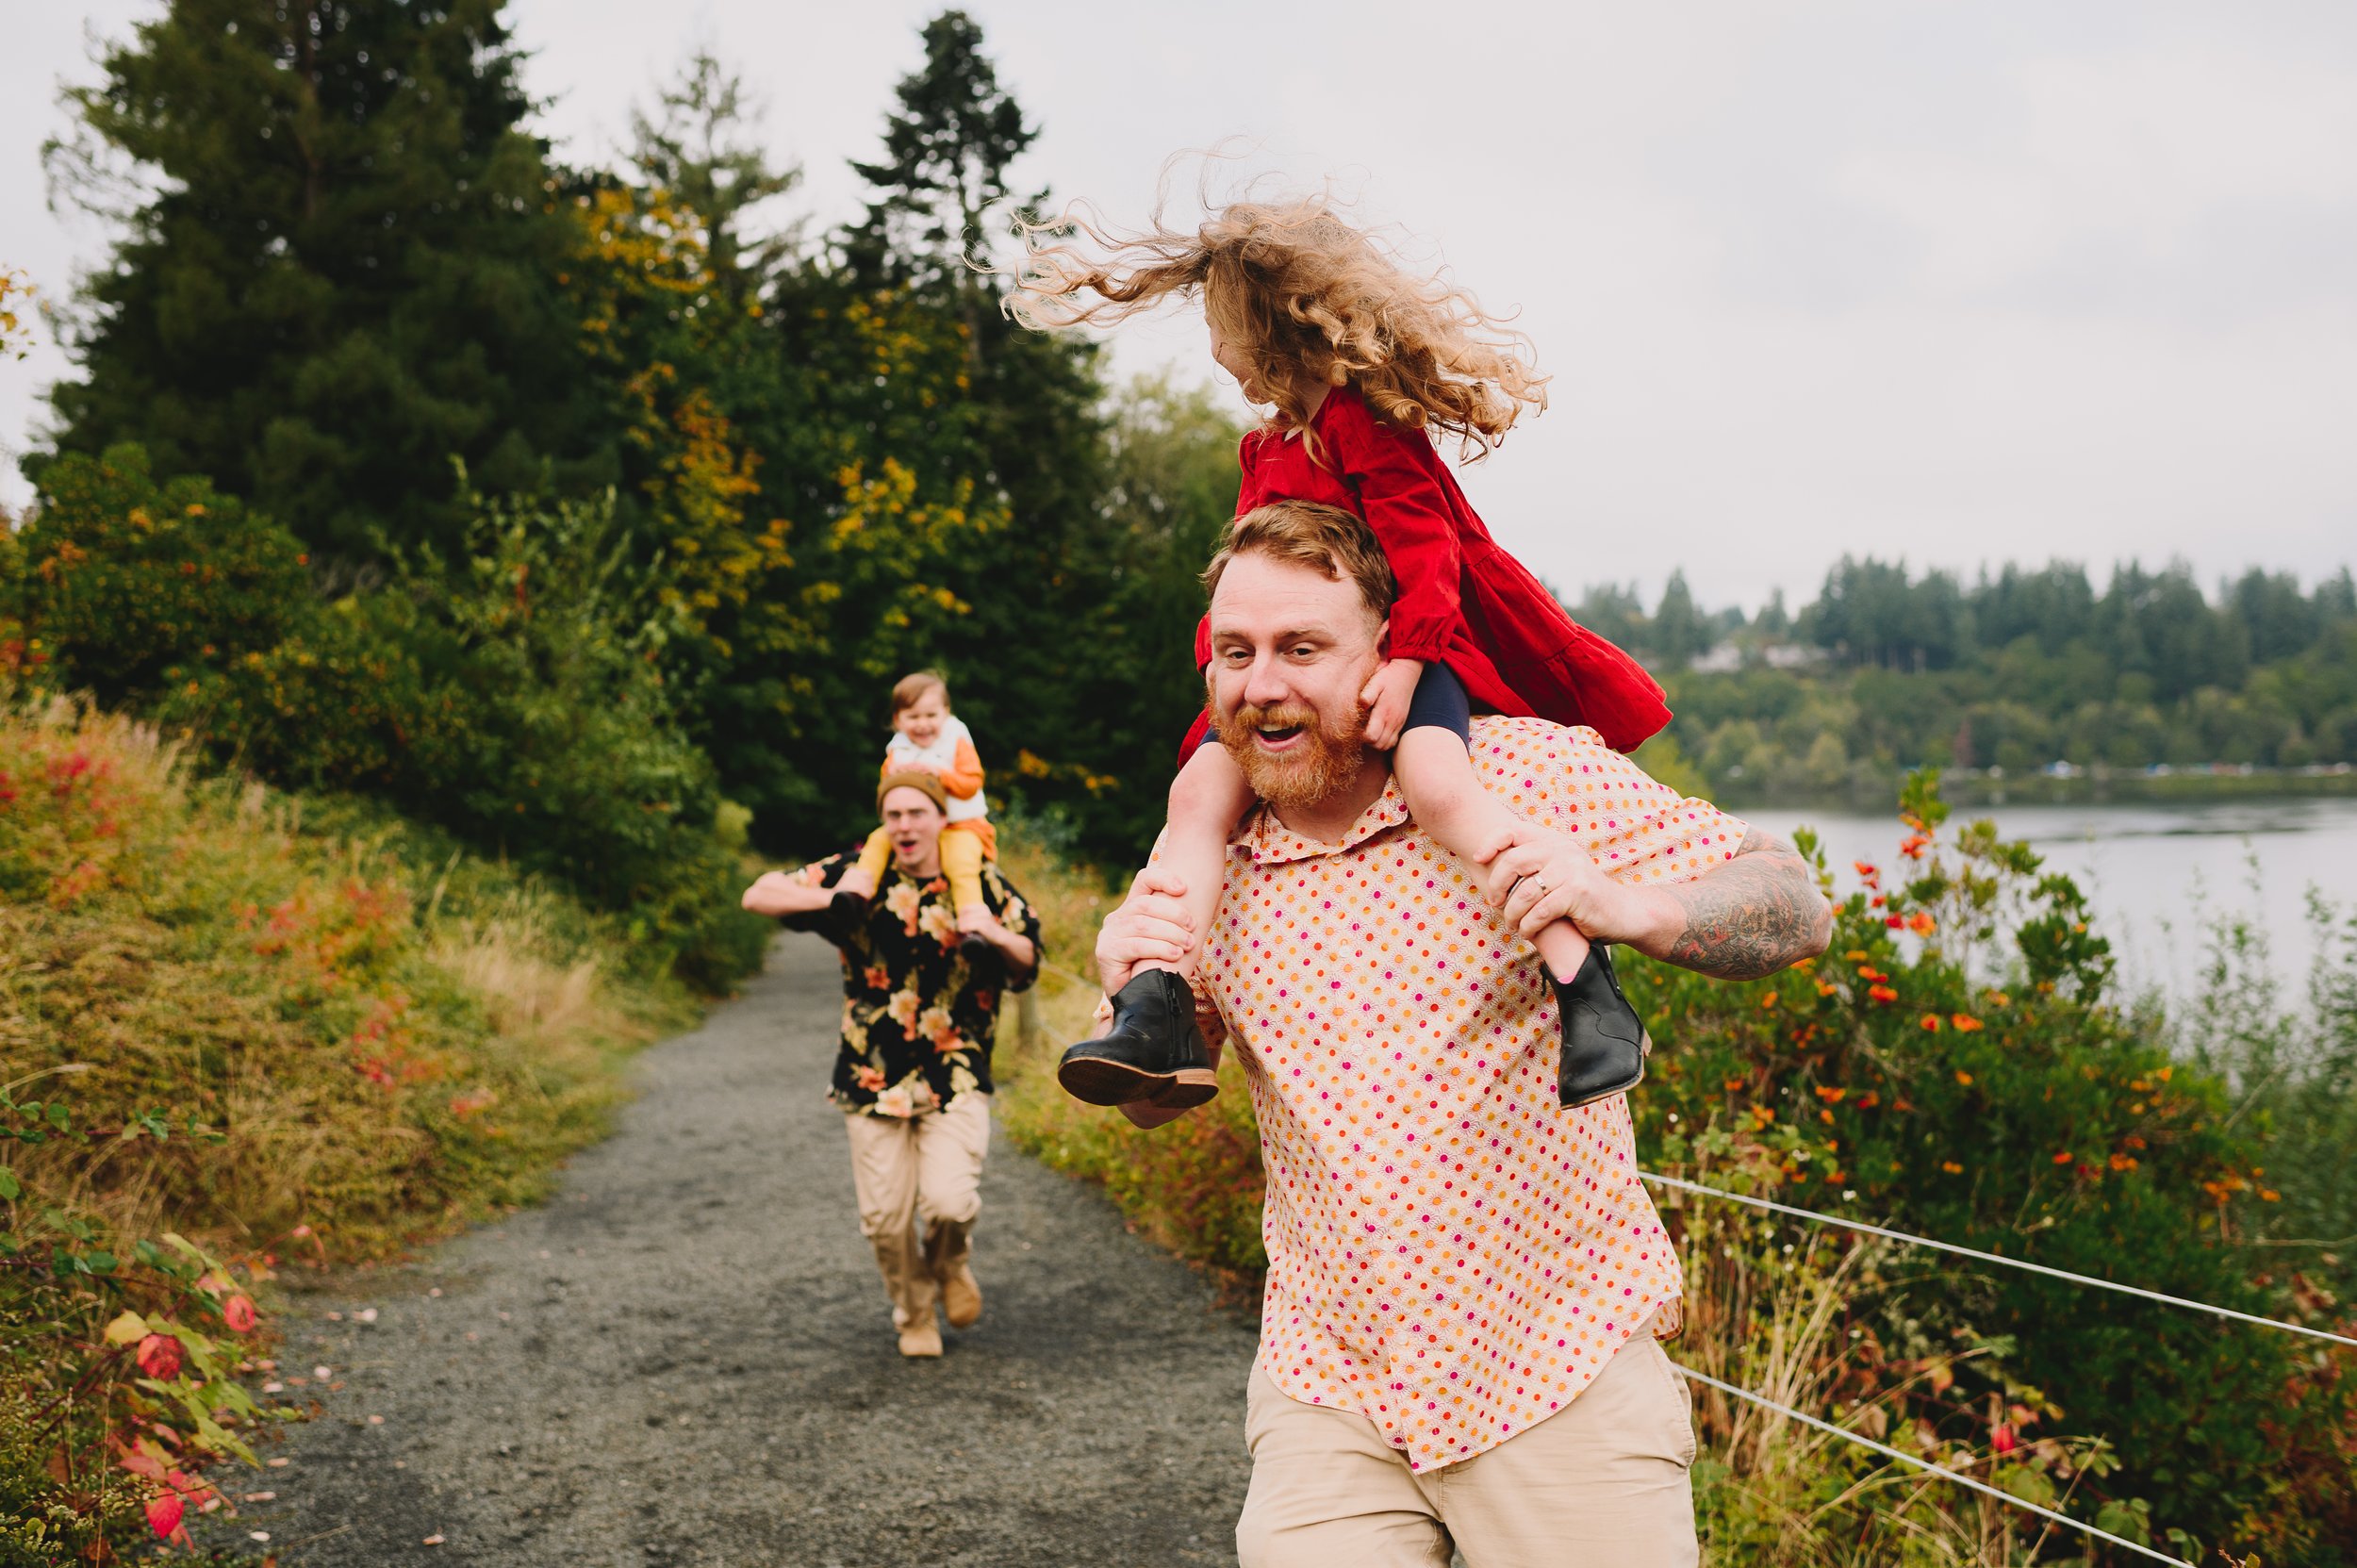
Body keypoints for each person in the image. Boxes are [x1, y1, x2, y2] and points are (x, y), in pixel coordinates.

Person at [1091, 501, 1831, 1565]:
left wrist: (1628, 907)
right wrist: (1127, 993)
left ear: (1384, 656)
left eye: (1302, 648)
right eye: (1236, 652)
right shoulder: (1200, 858)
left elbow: (1795, 903)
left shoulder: (1524, 776)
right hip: (1329, 1392)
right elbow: (1162, 1098)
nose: (1262, 684)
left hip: (1555, 1374)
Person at [1012, 192, 1673, 1114]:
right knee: (1194, 797)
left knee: (1442, 787)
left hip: (1402, 653)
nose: (1216, 350)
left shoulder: (1365, 422)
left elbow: (1429, 553)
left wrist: (1405, 662)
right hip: (1294, 671)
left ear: (1271, 324)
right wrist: (1225, 665)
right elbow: (1248, 573)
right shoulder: (1267, 448)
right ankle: (1157, 993)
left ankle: (1586, 990)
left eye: (1222, 328)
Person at [741, 770, 1044, 1359]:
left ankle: (950, 1264)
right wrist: (833, 900)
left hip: (955, 1068)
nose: (905, 825)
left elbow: (1028, 955)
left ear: (939, 820)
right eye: (895, 815)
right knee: (884, 1219)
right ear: (885, 823)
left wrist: (990, 934)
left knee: (950, 1203)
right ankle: (913, 1313)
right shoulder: (860, 874)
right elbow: (759, 892)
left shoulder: (977, 883)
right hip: (871, 1070)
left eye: (917, 813)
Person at [832, 669, 998, 962]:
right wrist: (894, 779)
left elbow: (972, 782)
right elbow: (886, 790)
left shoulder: (956, 739)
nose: (923, 725)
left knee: (961, 863)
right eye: (913, 717)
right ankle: (857, 892)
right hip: (916, 826)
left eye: (931, 715)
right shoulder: (898, 749)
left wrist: (941, 774)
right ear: (898, 719)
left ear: (945, 713)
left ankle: (973, 926)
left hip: (961, 825)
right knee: (876, 841)